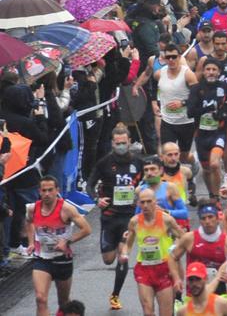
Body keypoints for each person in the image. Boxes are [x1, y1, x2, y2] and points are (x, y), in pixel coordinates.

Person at [88, 125, 143, 311]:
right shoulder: (104, 163)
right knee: (108, 259)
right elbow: (89, 185)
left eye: (124, 143)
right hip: (109, 217)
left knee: (123, 257)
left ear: (129, 142)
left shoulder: (138, 162)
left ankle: (115, 295)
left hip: (129, 217)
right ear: (113, 143)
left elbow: (149, 179)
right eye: (117, 143)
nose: (121, 146)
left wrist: (142, 194)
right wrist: (97, 199)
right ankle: (114, 291)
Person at [28, 175, 91, 316]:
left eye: (50, 190)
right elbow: (29, 222)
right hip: (42, 259)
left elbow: (87, 229)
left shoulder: (67, 209)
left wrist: (67, 241)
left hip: (62, 259)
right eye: (43, 190)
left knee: (64, 303)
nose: (47, 194)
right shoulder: (33, 208)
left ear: (57, 190)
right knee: (40, 299)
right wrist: (31, 242)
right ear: (39, 191)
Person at [120, 187, 186, 316]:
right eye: (142, 202)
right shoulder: (134, 222)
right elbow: (128, 245)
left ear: (155, 202)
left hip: (164, 269)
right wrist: (124, 254)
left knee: (166, 313)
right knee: (148, 312)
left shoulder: (166, 220)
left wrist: (174, 250)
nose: (145, 205)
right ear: (138, 203)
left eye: (149, 201)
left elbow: (183, 238)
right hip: (144, 269)